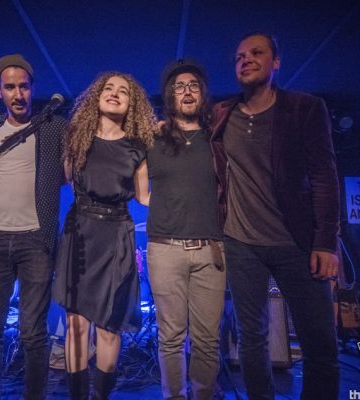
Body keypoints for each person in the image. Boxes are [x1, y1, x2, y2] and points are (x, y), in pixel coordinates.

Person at [210, 32, 340, 400]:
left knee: (320, 343)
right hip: (241, 243)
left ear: (276, 62)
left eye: (256, 53)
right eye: (238, 56)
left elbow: (324, 175)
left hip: (297, 243)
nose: (246, 59)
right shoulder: (223, 114)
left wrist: (326, 242)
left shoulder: (304, 108)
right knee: (252, 339)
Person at [52, 71, 156, 399]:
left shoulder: (138, 147)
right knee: (76, 325)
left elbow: (144, 198)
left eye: (122, 91)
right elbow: (59, 179)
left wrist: (186, 194)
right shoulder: (77, 139)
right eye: (108, 88)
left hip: (116, 238)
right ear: (95, 97)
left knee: (109, 328)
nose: (114, 93)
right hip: (79, 233)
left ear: (132, 105)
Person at [0, 54, 67, 400]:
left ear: (33, 89)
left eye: (24, 86)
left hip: (35, 239)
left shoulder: (53, 125)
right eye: (10, 87)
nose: (18, 94)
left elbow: (71, 166)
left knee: (33, 332)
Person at [140, 60, 225, 399]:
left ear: (203, 94)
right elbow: (140, 192)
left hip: (211, 249)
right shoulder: (153, 139)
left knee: (207, 338)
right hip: (165, 249)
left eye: (193, 85)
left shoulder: (218, 139)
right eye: (179, 86)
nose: (187, 90)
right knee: (171, 337)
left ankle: (204, 394)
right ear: (169, 97)